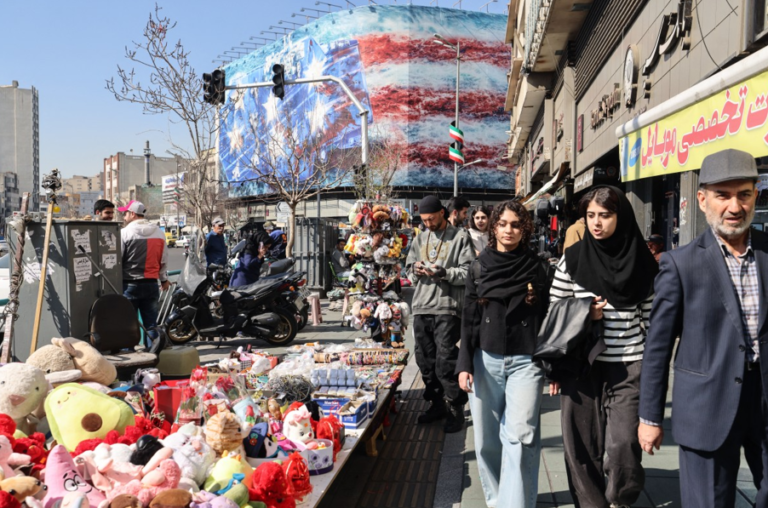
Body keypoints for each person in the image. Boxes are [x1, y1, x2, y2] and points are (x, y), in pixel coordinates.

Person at [639, 149, 768, 507]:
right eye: (722, 195)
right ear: (702, 199)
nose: (734, 206)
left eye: (743, 194)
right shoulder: (680, 265)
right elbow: (658, 346)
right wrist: (650, 416)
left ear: (756, 194)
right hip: (706, 406)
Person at [549, 186, 659, 508]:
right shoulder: (570, 261)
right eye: (591, 216)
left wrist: (654, 375)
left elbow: (653, 324)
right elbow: (556, 313)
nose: (597, 223)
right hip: (581, 365)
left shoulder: (643, 265)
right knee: (580, 445)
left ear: (621, 216)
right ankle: (591, 504)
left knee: (624, 442)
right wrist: (586, 312)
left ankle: (619, 499)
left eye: (606, 216)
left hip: (629, 364)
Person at [457, 200, 551, 508]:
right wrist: (464, 364)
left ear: (524, 229)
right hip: (486, 360)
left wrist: (553, 366)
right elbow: (469, 318)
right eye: (503, 224)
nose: (508, 230)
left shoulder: (538, 266)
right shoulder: (479, 266)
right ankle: (498, 500)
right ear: (493, 227)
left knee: (521, 438)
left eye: (515, 224)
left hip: (528, 360)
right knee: (486, 442)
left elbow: (549, 316)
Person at [406, 195, 474, 433]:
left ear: (443, 213)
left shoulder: (460, 237)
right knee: (425, 360)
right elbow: (408, 268)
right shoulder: (419, 238)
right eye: (424, 220)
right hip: (421, 305)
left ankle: (456, 407)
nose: (428, 224)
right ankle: (437, 404)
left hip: (448, 306)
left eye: (432, 219)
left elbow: (469, 273)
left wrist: (444, 273)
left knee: (445, 360)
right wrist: (415, 269)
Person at [119, 201, 170, 332]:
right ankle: (153, 350)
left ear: (132, 214)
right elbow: (163, 260)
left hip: (129, 284)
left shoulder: (125, 233)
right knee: (151, 324)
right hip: (152, 284)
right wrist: (163, 280)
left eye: (125, 214)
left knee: (128, 323)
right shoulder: (159, 233)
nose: (124, 217)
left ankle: (128, 351)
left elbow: (119, 259)